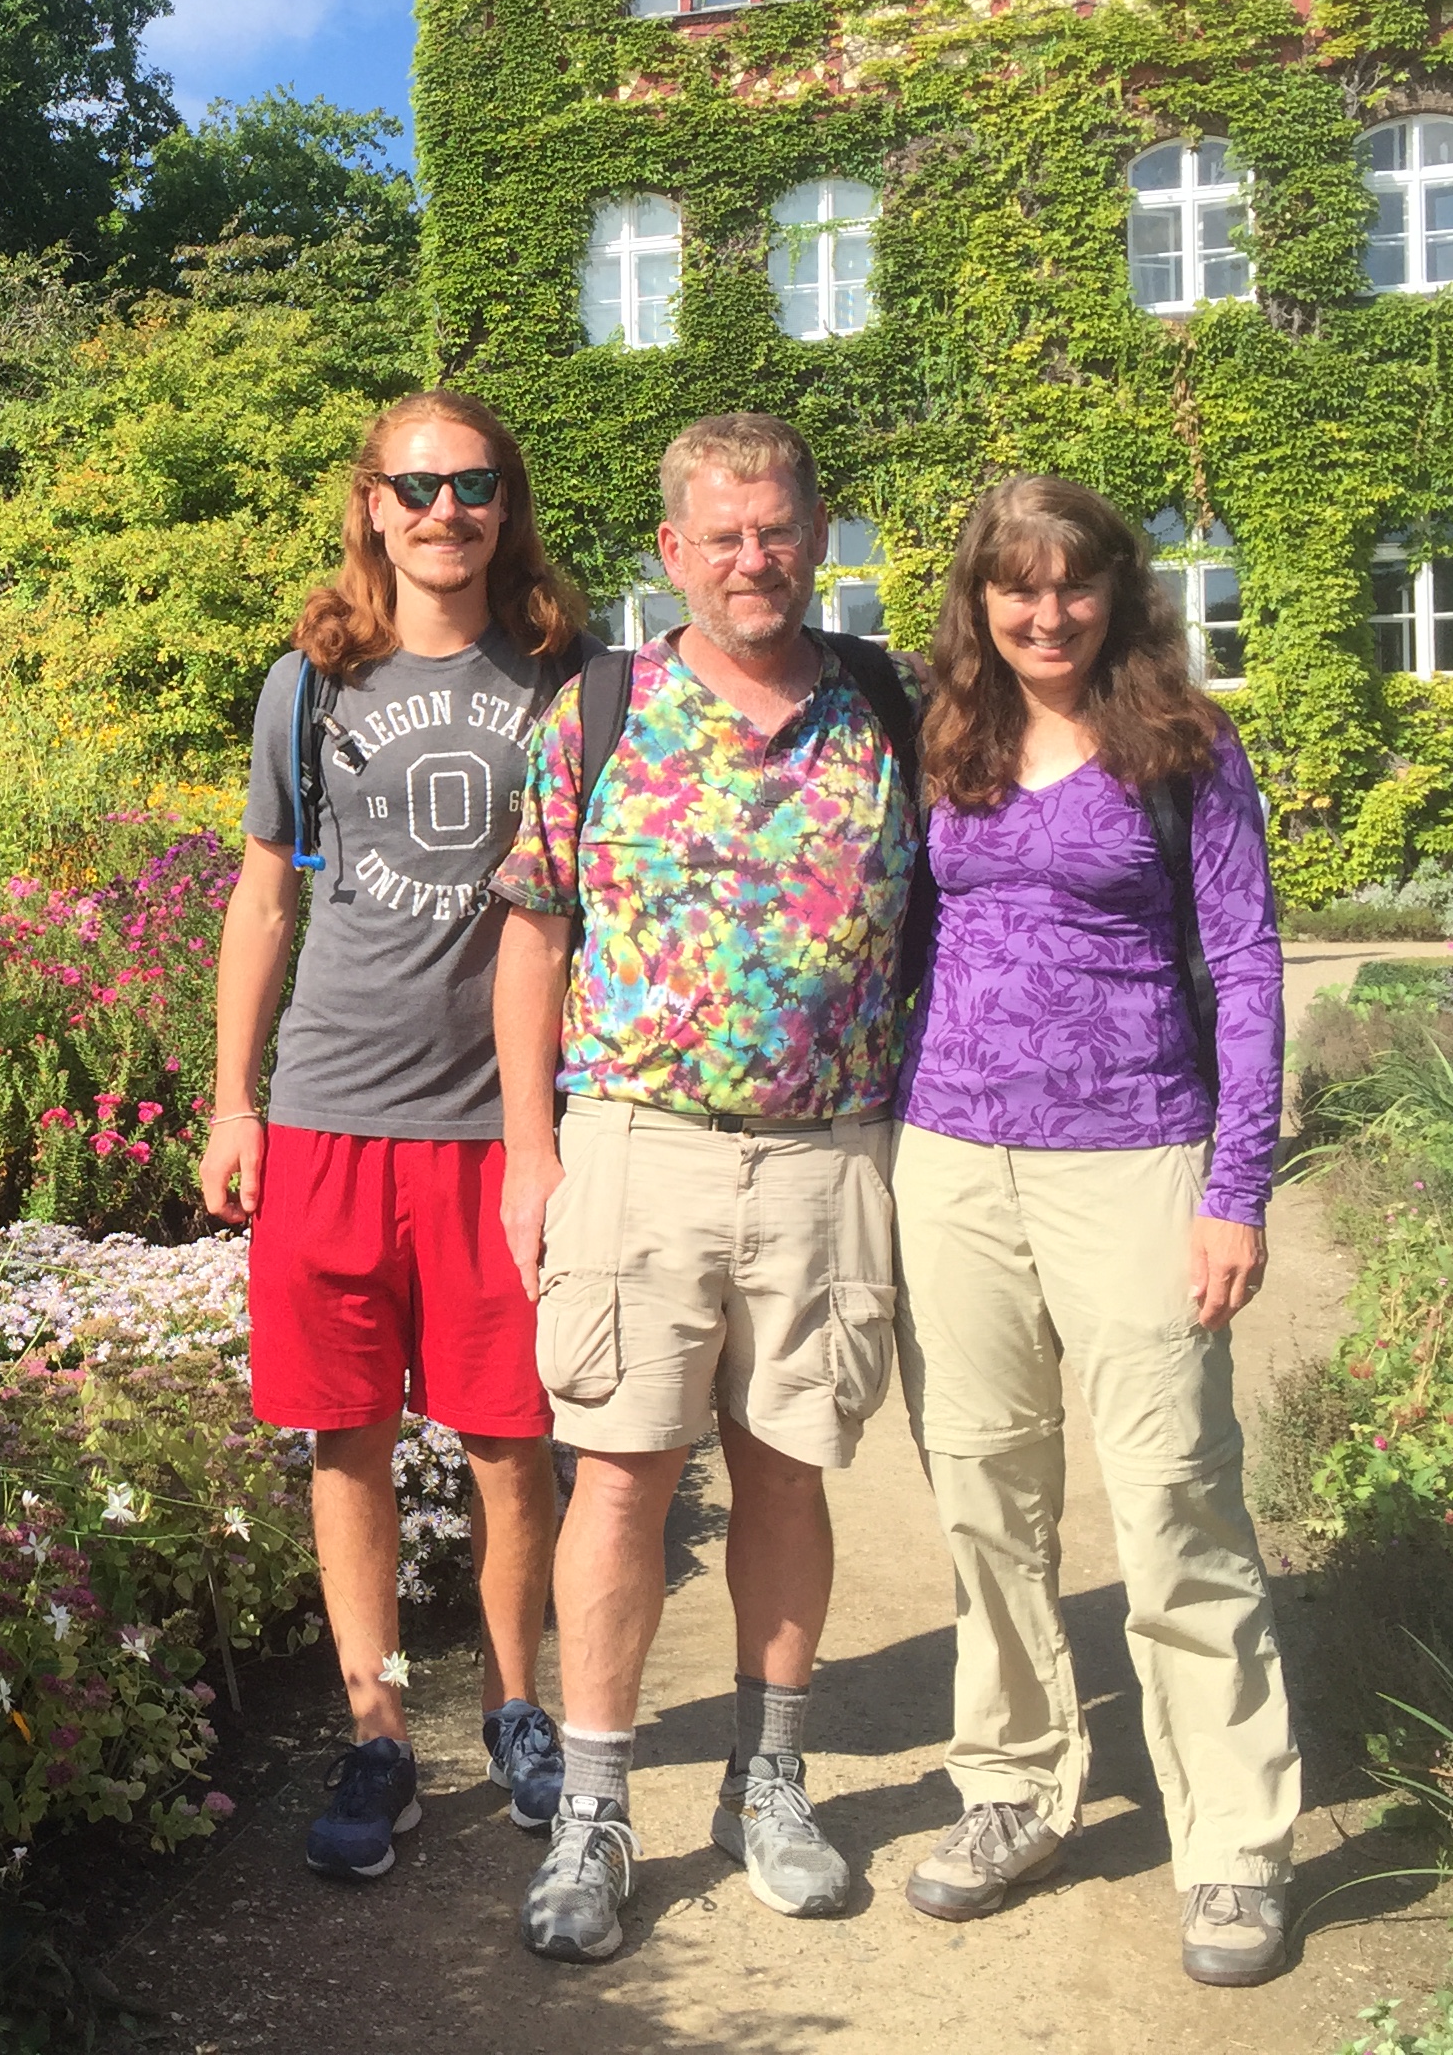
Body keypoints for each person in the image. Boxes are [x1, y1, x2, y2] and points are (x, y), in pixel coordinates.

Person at [489, 410, 925, 1962]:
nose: (756, 555)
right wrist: (532, 1153)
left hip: (828, 1156)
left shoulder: (890, 707)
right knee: (621, 1471)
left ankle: (773, 1777)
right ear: (672, 553)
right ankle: (599, 1811)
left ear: (819, 535)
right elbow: (533, 933)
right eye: (722, 533)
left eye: (780, 527)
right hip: (636, 1143)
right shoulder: (597, 712)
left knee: (791, 1468)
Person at [888, 473, 1301, 1988]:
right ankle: (1011, 1787)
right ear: (979, 601)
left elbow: (1248, 967)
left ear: (1119, 595)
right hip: (953, 1159)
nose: (1045, 613)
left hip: (1137, 1155)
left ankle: (1235, 1845)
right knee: (986, 1497)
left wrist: (1232, 1190)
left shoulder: (1184, 748)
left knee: (1176, 1502)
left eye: (1073, 586)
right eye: (1017, 586)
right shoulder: (946, 739)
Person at [203, 389, 589, 1881]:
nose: (446, 511)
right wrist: (235, 1102)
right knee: (345, 1435)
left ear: (507, 504)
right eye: (417, 486)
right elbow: (262, 901)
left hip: (504, 1131)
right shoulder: (309, 684)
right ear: (371, 503)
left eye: (474, 484)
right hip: (333, 1116)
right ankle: (375, 1732)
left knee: (511, 1433)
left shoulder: (570, 678)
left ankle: (516, 1711)